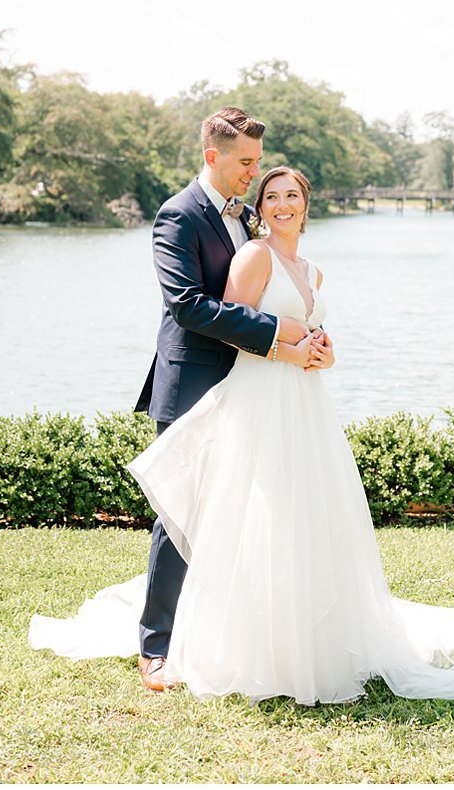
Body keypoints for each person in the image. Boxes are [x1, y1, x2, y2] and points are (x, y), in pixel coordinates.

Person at [31, 164, 454, 710]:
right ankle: (217, 642)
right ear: (262, 206)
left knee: (303, 517)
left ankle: (304, 639)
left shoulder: (313, 270)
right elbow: (232, 326)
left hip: (305, 405)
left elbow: (315, 334)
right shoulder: (253, 255)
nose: (282, 203)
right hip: (258, 398)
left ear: (307, 205)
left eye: (292, 196)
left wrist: (324, 353)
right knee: (247, 515)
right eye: (272, 195)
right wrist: (286, 350)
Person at [132, 107, 328, 690]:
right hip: (193, 380)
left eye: (258, 162)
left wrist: (304, 342)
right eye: (245, 162)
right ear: (212, 156)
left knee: (240, 510)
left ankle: (221, 627)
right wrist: (275, 336)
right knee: (180, 511)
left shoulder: (246, 216)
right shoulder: (178, 215)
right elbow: (187, 305)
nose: (254, 172)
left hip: (249, 385)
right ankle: (156, 643)